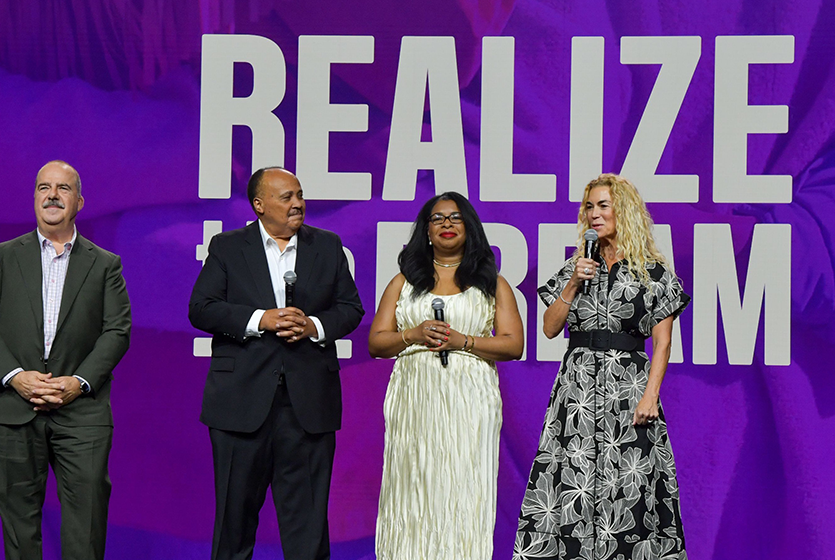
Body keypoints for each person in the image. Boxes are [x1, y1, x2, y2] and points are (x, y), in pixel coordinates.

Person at [188, 167, 364, 560]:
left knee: (308, 531)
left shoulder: (327, 246)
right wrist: (260, 319)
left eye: (299, 195)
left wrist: (313, 326)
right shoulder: (227, 247)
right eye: (287, 197)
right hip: (240, 404)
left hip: (308, 407)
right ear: (259, 204)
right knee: (233, 527)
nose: (298, 203)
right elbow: (202, 308)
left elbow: (350, 309)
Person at [513, 174, 690, 560]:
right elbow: (549, 328)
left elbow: (662, 342)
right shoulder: (576, 267)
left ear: (623, 210)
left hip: (628, 389)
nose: (594, 214)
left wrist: (651, 396)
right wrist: (572, 284)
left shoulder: (653, 274)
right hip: (577, 390)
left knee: (629, 484)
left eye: (603, 206)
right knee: (570, 483)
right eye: (589, 207)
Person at [0, 160, 131, 560]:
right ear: (34, 198)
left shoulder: (105, 264)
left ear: (79, 202)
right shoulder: (1, 257)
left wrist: (78, 383)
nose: (52, 195)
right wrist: (16, 377)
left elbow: (117, 330)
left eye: (63, 188)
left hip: (81, 410)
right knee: (18, 525)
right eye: (44, 187)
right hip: (11, 405)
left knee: (87, 521)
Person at [368, 192, 524, 559]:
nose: (447, 224)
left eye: (455, 217)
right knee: (413, 486)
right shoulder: (403, 282)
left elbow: (513, 344)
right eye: (437, 218)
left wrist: (463, 341)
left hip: (470, 400)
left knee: (463, 487)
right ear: (426, 231)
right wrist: (413, 334)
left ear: (470, 228)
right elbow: (376, 342)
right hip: (415, 398)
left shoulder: (492, 283)